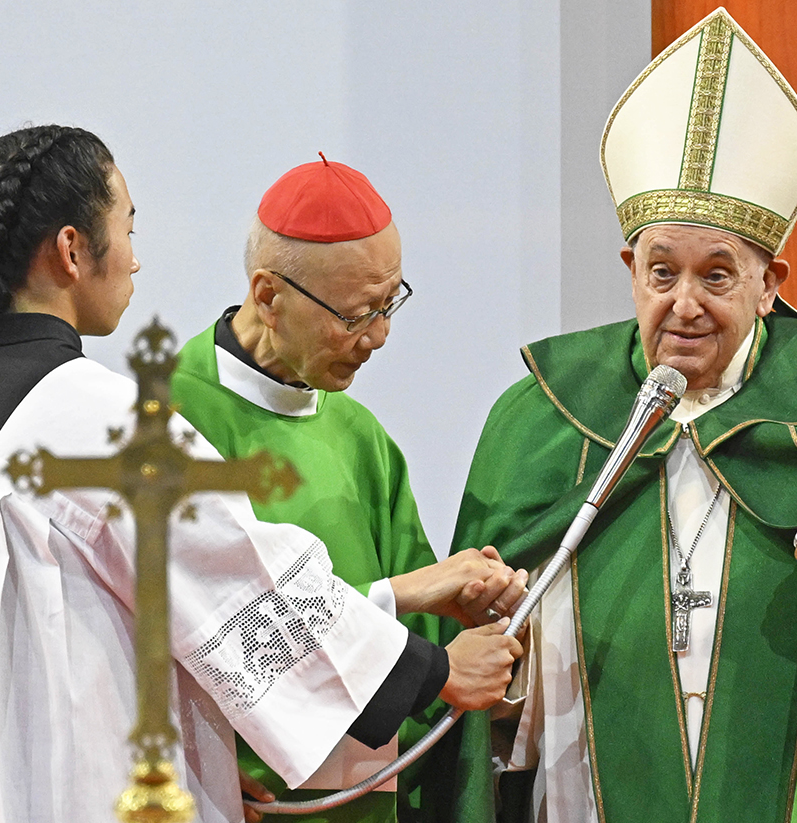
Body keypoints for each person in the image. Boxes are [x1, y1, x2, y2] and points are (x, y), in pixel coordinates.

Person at [0, 125, 524, 823]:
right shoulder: (98, 418)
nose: (135, 259)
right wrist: (437, 671)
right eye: (127, 228)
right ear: (70, 250)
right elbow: (243, 583)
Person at [451, 10, 797, 822]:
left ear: (770, 281)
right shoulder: (541, 415)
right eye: (661, 272)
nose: (684, 304)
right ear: (629, 270)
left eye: (718, 275)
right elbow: (477, 636)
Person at [171, 156, 526, 823]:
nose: (381, 335)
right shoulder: (169, 421)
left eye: (390, 303)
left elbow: (424, 648)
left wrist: (473, 607)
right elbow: (213, 635)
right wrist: (197, 767)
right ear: (268, 295)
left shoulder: (360, 436)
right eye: (358, 313)